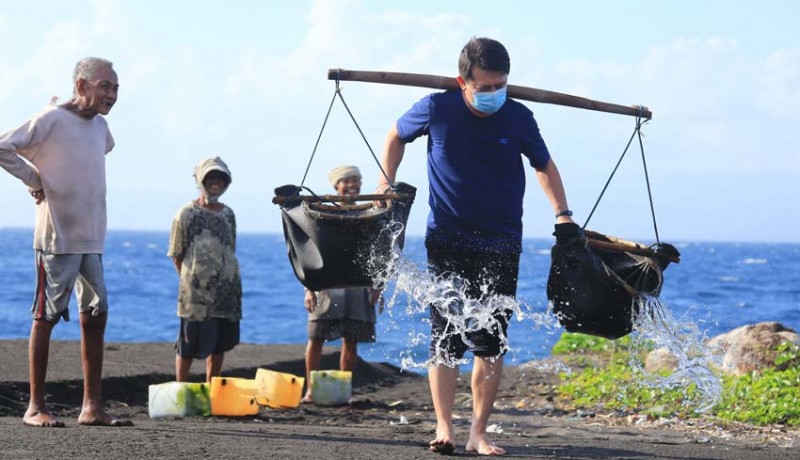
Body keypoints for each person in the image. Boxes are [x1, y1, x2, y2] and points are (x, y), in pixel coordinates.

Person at [375, 37, 575, 456]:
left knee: (491, 338)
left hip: (502, 241)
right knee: (445, 335)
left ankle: (478, 432)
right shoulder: (437, 107)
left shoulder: (519, 117)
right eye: (483, 87)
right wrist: (384, 181)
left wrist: (563, 214)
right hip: (448, 238)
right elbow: (395, 135)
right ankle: (445, 427)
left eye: (499, 85)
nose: (492, 95)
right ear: (462, 82)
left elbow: (543, 164)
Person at [0, 57, 132, 427]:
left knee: (96, 314)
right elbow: (4, 146)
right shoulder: (51, 119)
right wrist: (35, 179)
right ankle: (34, 407)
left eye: (116, 88)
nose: (112, 95)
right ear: (81, 85)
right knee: (46, 316)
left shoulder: (101, 128)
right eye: (105, 86)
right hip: (56, 237)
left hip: (92, 237)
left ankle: (92, 407)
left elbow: (95, 152)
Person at [302, 165, 383, 403]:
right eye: (347, 181)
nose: (352, 185)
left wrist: (377, 285)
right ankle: (310, 390)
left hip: (357, 286)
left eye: (356, 180)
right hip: (326, 284)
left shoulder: (368, 214)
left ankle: (344, 391)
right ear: (336, 186)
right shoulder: (323, 214)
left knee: (351, 338)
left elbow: (376, 254)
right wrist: (309, 288)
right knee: (315, 336)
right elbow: (309, 252)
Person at [167, 157, 242, 383]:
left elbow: (230, 248)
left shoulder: (228, 214)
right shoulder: (186, 213)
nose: (215, 183)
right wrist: (190, 283)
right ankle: (180, 388)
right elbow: (176, 253)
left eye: (220, 178)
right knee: (188, 344)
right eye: (210, 178)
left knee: (219, 345)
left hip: (226, 290)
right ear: (200, 181)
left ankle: (212, 389)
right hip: (195, 293)